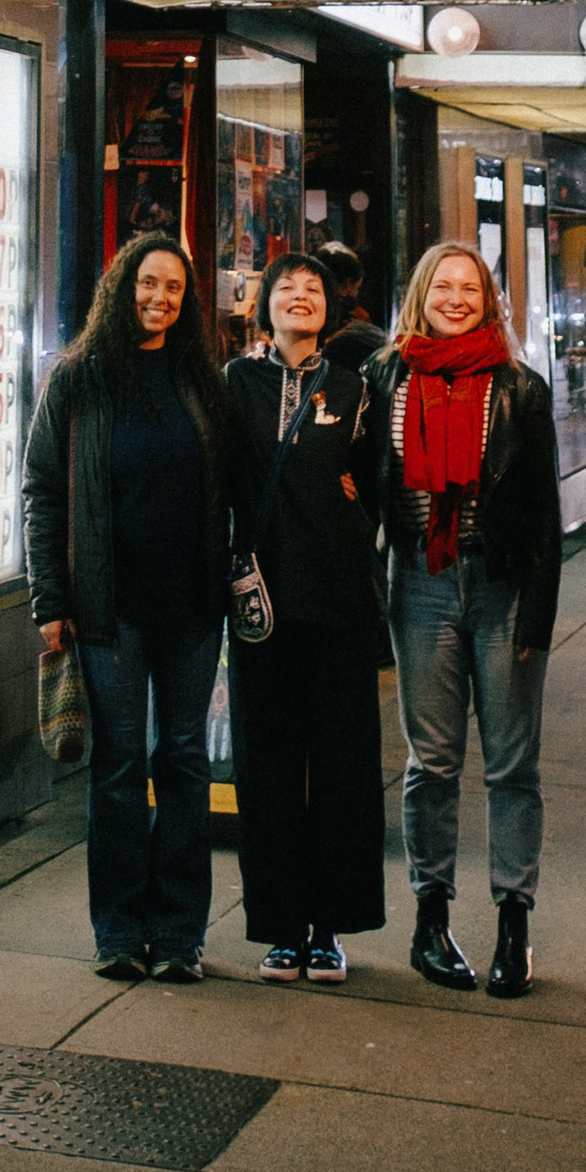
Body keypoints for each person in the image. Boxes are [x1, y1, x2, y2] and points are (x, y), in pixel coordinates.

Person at [23, 236, 230, 982]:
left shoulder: (202, 380)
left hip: (192, 609)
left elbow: (236, 483)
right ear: (122, 287)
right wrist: (49, 596)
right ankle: (118, 930)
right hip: (109, 610)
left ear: (186, 299)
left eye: (174, 288)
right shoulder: (78, 380)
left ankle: (179, 935)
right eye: (148, 283)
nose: (160, 298)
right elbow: (42, 491)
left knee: (182, 762)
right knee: (116, 768)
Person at [366, 245, 561, 1001]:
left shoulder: (519, 389)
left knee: (512, 765)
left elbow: (543, 521)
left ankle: (514, 926)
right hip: (420, 580)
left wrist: (537, 622)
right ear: (421, 294)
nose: (455, 298)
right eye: (442, 286)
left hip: (503, 587)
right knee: (433, 764)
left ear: (490, 300)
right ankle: (430, 922)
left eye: (469, 287)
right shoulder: (386, 376)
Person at [224, 254, 389, 984]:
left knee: (344, 768)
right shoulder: (237, 384)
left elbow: (380, 482)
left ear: (331, 307)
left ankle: (331, 929)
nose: (300, 296)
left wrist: (354, 500)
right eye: (286, 287)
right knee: (269, 768)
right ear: (265, 306)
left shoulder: (357, 387)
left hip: (340, 603)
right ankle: (282, 928)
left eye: (313, 288)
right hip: (263, 606)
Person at [314, 238, 388, 367]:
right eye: (357, 287)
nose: (356, 294)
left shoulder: (308, 315)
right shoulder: (359, 318)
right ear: (348, 284)